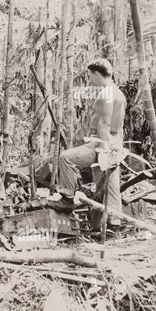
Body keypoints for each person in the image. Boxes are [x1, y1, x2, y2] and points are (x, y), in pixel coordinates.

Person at [49, 58, 126, 227]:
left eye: (90, 76)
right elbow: (118, 127)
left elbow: (104, 124)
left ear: (97, 74)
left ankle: (67, 199)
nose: (89, 80)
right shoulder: (118, 93)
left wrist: (101, 150)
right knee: (107, 185)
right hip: (114, 143)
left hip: (102, 142)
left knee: (66, 157)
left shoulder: (106, 93)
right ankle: (113, 222)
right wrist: (116, 149)